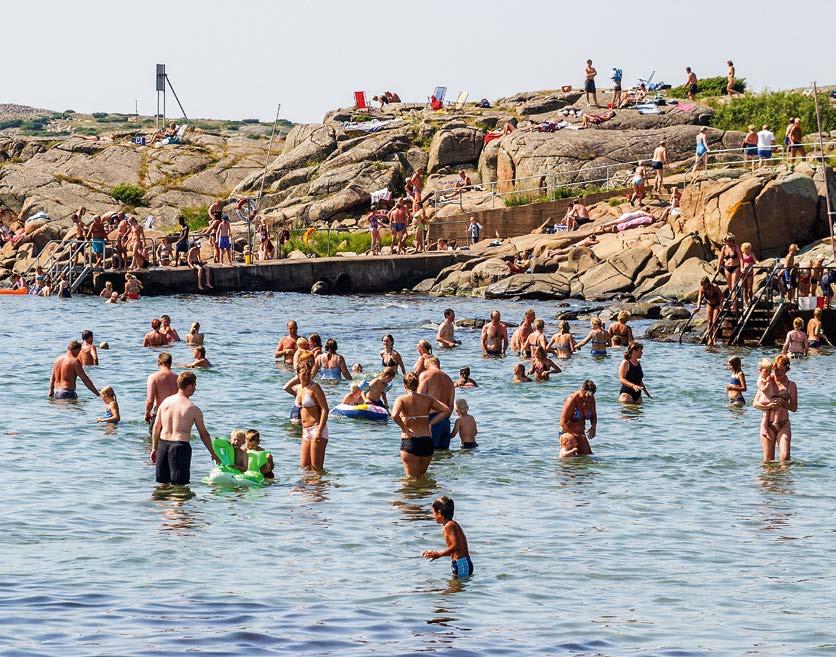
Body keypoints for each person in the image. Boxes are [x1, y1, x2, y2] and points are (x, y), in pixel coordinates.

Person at [151, 371, 218, 486]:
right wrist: (212, 452)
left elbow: (156, 427)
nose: (195, 388)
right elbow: (203, 434)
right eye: (195, 385)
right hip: (180, 447)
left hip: (163, 445)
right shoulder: (193, 408)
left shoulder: (165, 402)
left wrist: (154, 448)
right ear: (190, 386)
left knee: (163, 485)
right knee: (180, 487)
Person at [391, 373, 450, 478]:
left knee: (410, 478)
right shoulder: (428, 399)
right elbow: (446, 410)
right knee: (422, 476)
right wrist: (431, 423)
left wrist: (404, 428)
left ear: (404, 385)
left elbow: (394, 415)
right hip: (427, 441)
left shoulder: (401, 399)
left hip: (410, 440)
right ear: (418, 384)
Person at [754, 355, 797, 462]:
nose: (779, 373)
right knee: (768, 460)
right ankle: (770, 474)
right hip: (768, 425)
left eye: (783, 370)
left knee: (785, 457)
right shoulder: (767, 380)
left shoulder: (791, 385)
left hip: (783, 424)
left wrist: (783, 403)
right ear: (774, 368)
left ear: (787, 370)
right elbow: (755, 403)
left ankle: (784, 473)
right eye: (777, 370)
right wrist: (769, 406)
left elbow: (794, 408)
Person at [423, 496, 473, 578]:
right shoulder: (452, 524)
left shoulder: (449, 526)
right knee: (454, 585)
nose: (433, 515)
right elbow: (456, 549)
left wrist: (439, 554)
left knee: (455, 586)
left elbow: (456, 546)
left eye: (433, 512)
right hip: (462, 563)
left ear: (439, 513)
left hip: (461, 564)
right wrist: (435, 554)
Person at [294, 363, 330, 469]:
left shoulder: (315, 387)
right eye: (303, 374)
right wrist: (296, 378)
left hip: (317, 428)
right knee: (304, 468)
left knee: (316, 468)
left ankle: (321, 481)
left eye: (309, 374)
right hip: (305, 431)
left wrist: (319, 430)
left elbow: (325, 409)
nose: (306, 377)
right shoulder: (298, 388)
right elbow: (286, 387)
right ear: (298, 374)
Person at [418, 356, 456, 450]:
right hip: (445, 422)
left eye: (424, 366)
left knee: (429, 454)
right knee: (444, 454)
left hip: (431, 419)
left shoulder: (425, 375)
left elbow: (419, 399)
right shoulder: (449, 379)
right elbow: (451, 405)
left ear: (427, 364)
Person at [559, 379, 597, 456]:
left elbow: (594, 415)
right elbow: (562, 423)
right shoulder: (571, 400)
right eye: (586, 396)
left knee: (588, 457)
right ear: (582, 390)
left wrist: (593, 427)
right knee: (569, 459)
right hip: (568, 435)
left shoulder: (590, 398)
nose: (587, 399)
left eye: (590, 396)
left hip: (581, 434)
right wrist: (575, 435)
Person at [145, 352, 178, 430]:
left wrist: (147, 413)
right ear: (170, 363)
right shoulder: (178, 378)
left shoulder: (153, 377)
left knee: (155, 438)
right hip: (175, 417)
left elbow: (150, 401)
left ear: (158, 363)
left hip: (160, 416)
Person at [718, 232, 743, 310]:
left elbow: (741, 258)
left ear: (733, 240)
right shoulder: (724, 248)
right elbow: (720, 259)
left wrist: (742, 267)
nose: (729, 242)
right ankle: (733, 303)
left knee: (733, 286)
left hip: (736, 267)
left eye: (731, 240)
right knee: (730, 287)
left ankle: (734, 306)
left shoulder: (736, 247)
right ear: (725, 241)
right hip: (727, 268)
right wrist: (717, 269)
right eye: (727, 241)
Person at [696, 276, 724, 347]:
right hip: (709, 305)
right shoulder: (702, 289)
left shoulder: (715, 287)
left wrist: (721, 305)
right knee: (709, 322)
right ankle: (710, 338)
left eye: (704, 284)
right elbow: (699, 298)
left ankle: (714, 338)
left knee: (714, 322)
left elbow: (721, 296)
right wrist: (698, 307)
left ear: (708, 283)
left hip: (717, 305)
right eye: (702, 284)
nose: (703, 286)